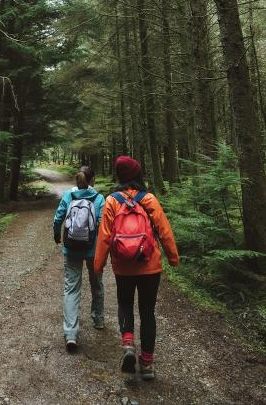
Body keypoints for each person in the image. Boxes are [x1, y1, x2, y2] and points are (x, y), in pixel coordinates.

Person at [93, 156, 179, 380]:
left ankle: (128, 344)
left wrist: (98, 265)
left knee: (124, 304)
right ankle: (147, 364)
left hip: (123, 266)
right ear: (137, 175)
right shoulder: (149, 199)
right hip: (149, 265)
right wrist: (173, 257)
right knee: (148, 312)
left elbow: (104, 237)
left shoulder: (112, 200)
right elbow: (164, 230)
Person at [52, 169, 106, 352]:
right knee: (96, 283)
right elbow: (103, 224)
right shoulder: (99, 198)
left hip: (72, 248)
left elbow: (58, 218)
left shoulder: (69, 195)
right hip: (93, 249)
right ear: (93, 180)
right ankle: (98, 319)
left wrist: (56, 235)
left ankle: (71, 333)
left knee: (71, 288)